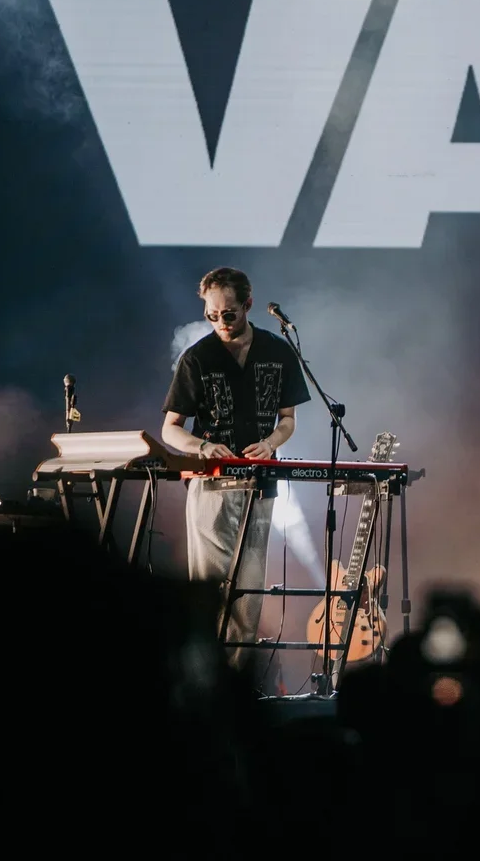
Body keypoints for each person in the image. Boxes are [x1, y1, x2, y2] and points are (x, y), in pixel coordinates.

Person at [162, 267, 311, 667]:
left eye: (228, 314)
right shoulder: (197, 357)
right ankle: (206, 676)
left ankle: (238, 679)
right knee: (210, 587)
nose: (221, 323)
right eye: (212, 315)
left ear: (248, 305)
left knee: (249, 589)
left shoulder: (278, 351)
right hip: (212, 485)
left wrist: (270, 443)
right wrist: (203, 445)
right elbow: (170, 428)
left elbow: (288, 419)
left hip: (260, 483)